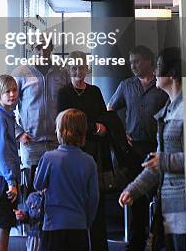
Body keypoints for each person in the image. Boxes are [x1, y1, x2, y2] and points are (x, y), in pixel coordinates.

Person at [119, 47, 186, 251]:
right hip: (169, 211)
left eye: (158, 67)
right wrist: (133, 189)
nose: (155, 73)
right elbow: (157, 162)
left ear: (172, 73)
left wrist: (163, 161)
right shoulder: (168, 111)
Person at [108, 45, 168, 250]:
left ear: (149, 61)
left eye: (136, 61)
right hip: (134, 150)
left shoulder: (162, 85)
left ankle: (157, 241)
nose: (132, 66)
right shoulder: (126, 85)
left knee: (159, 198)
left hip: (159, 147)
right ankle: (135, 243)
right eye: (130, 62)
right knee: (138, 200)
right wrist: (120, 132)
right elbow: (110, 109)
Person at [57, 50, 109, 251]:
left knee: (96, 201)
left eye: (81, 67)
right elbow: (65, 122)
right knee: (74, 201)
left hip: (94, 151)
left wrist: (99, 127)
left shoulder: (95, 91)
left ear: (87, 68)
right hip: (72, 152)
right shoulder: (64, 92)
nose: (78, 71)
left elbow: (104, 117)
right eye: (74, 68)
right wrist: (92, 128)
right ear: (69, 69)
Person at [33, 108, 98, 251]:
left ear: (60, 132)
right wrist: (87, 221)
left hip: (52, 226)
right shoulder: (90, 162)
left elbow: (38, 185)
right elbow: (93, 198)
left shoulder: (49, 158)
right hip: (79, 226)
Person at [13, 36, 69, 193]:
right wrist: (18, 133)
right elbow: (6, 109)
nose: (43, 52)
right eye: (38, 48)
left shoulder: (62, 72)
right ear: (32, 49)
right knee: (32, 194)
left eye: (46, 48)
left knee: (57, 192)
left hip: (57, 143)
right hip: (31, 145)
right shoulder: (20, 73)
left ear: (52, 48)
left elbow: (69, 105)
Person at [0, 75, 21, 251]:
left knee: (6, 224)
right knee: (3, 224)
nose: (12, 94)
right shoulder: (0, 117)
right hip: (3, 179)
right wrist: (11, 181)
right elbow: (2, 152)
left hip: (5, 177)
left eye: (14, 90)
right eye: (7, 91)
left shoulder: (7, 115)